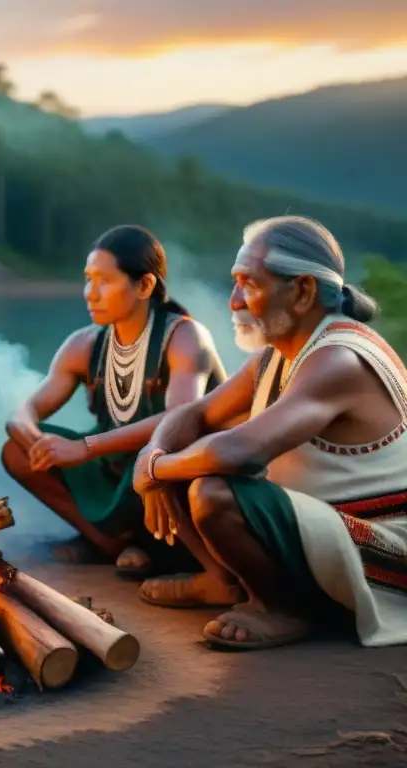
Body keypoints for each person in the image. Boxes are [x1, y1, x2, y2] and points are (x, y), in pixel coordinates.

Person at [132, 215, 407, 651]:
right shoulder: (276, 354)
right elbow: (197, 412)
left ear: (302, 291)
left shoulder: (339, 359)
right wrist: (156, 452)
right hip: (324, 526)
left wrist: (154, 468)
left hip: (383, 546)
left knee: (213, 490)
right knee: (187, 455)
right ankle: (222, 582)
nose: (233, 301)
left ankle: (282, 609)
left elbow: (238, 452)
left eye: (249, 284)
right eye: (235, 282)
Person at [3, 225, 227, 579]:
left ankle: (190, 561)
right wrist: (35, 440)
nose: (90, 293)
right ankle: (114, 545)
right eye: (87, 279)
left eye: (104, 281)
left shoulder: (184, 337)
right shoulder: (84, 344)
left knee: (163, 460)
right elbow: (23, 413)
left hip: (170, 475)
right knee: (17, 452)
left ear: (145, 286)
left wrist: (85, 447)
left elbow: (179, 420)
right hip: (116, 472)